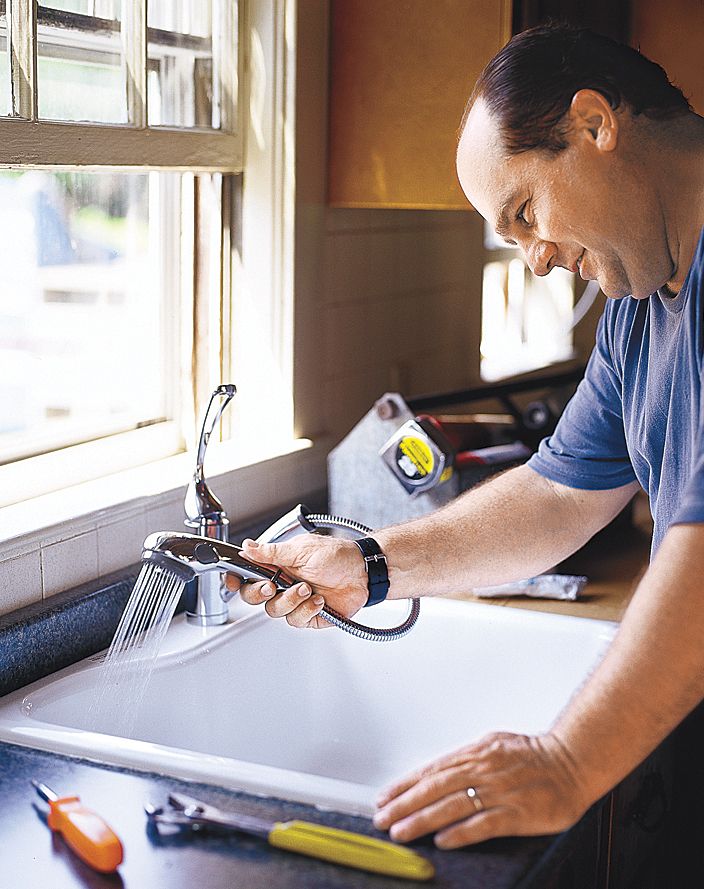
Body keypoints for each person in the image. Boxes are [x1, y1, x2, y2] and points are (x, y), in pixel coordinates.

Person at [227, 24, 704, 850]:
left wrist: (565, 762)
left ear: (594, 125)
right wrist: (368, 564)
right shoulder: (643, 301)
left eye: (526, 212)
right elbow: (559, 494)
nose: (539, 261)